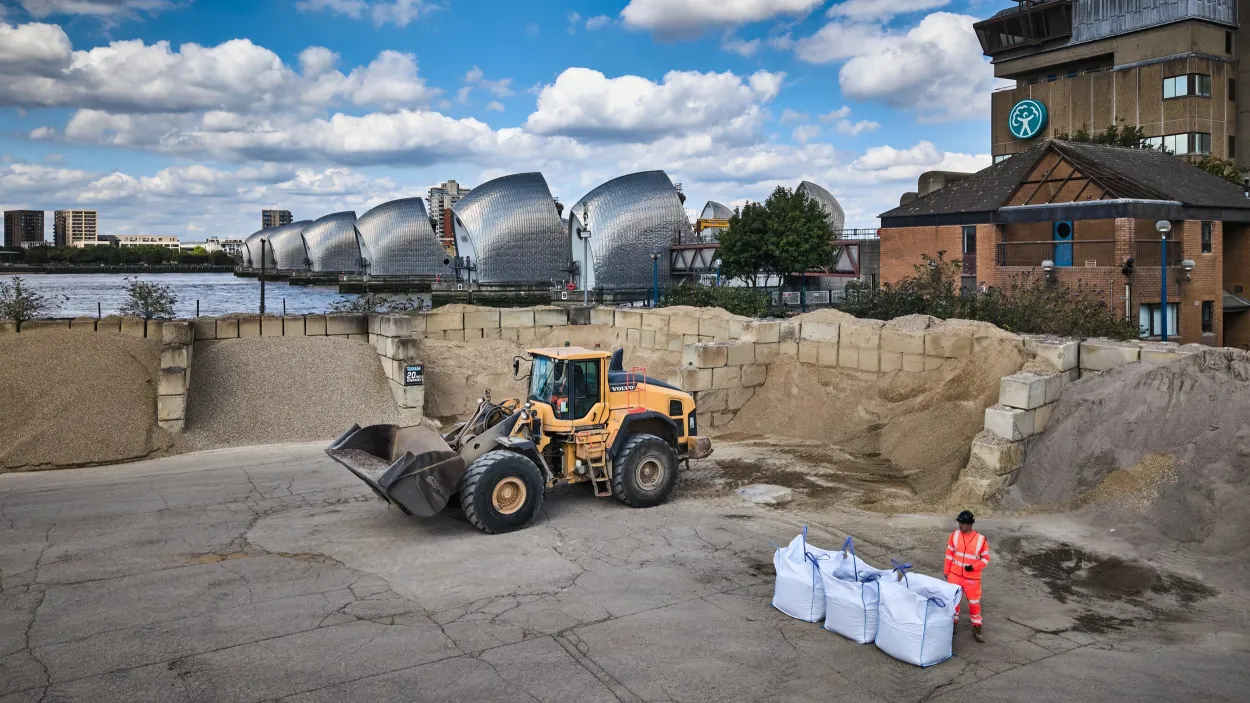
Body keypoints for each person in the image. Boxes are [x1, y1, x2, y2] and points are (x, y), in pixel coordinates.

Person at [944, 510, 990, 642]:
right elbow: (949, 555)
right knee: (954, 601)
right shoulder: (954, 535)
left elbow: (986, 559)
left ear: (970, 524)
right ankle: (953, 623)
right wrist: (947, 571)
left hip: (972, 578)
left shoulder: (981, 540)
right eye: (959, 522)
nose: (960, 525)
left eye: (963, 523)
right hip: (955, 575)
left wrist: (974, 567)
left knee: (974, 603)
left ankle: (977, 627)